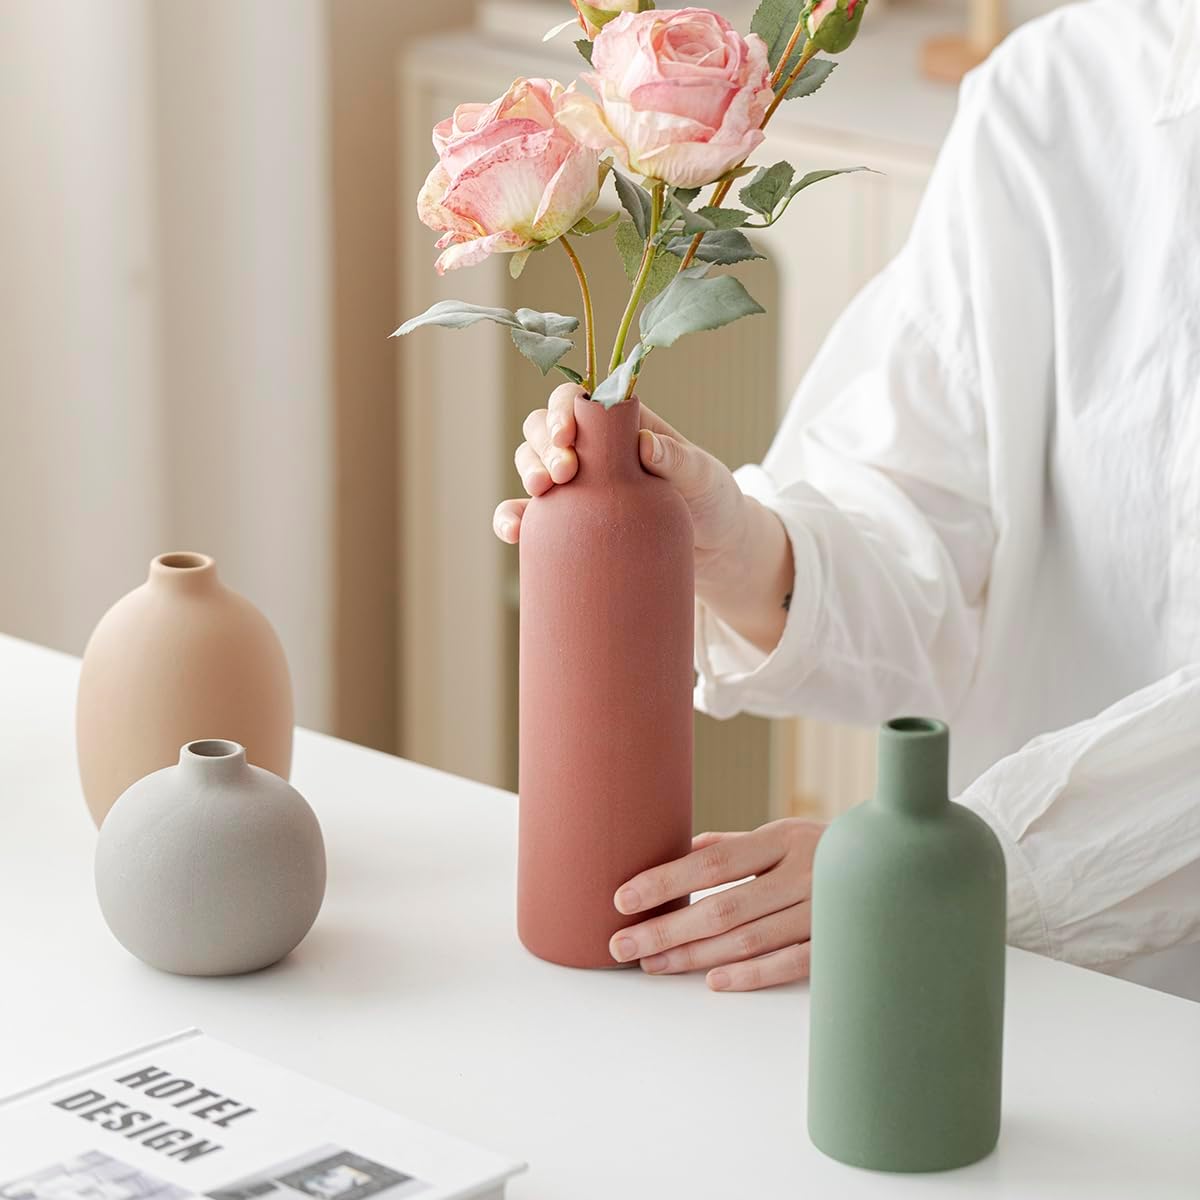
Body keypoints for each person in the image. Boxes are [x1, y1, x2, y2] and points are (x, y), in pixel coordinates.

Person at [494, 0, 1200, 999]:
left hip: (979, 929)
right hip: (1004, 990)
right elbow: (921, 517)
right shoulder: (1061, 94)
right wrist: (739, 550)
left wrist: (964, 867)